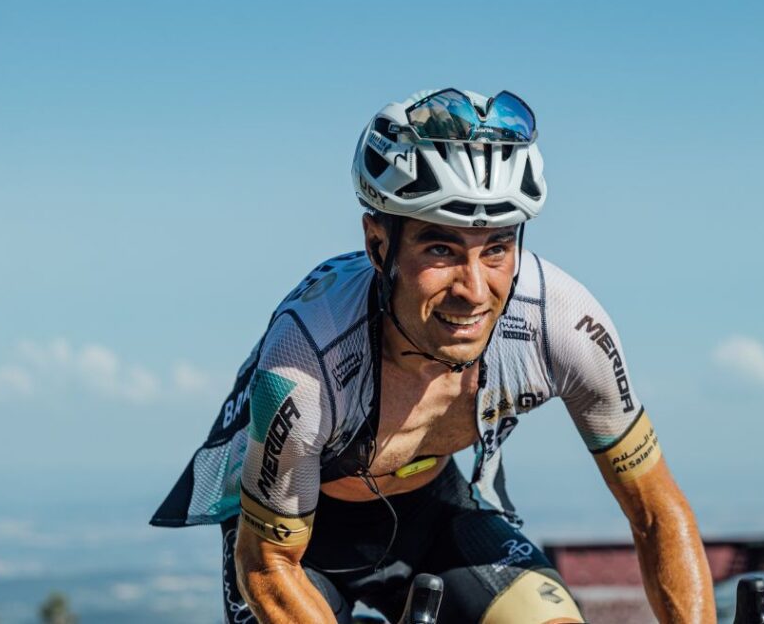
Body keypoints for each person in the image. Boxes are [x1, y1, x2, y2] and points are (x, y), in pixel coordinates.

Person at [151, 89, 717, 623]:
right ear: (378, 245)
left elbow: (656, 513)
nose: (474, 289)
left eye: (496, 248)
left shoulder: (563, 324)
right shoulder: (306, 363)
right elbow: (268, 564)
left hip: (436, 512)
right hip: (301, 545)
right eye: (441, 249)